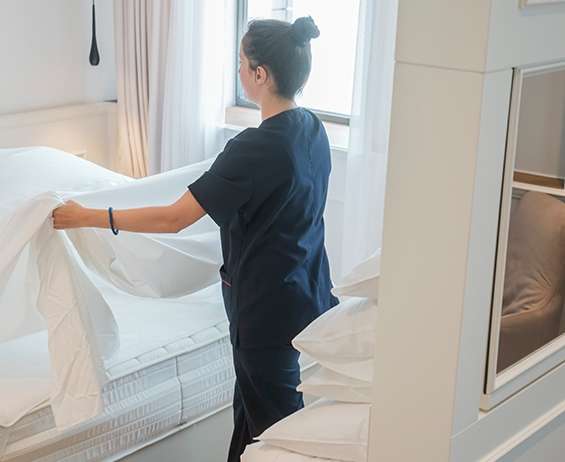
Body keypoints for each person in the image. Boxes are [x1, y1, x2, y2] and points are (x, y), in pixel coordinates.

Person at [53, 15, 338, 462]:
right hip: (306, 295)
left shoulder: (252, 149)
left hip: (264, 311)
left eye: (242, 63)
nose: (238, 71)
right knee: (250, 414)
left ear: (260, 75)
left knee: (281, 434)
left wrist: (87, 215)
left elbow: (173, 219)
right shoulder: (313, 130)